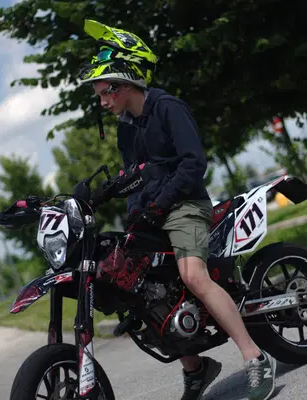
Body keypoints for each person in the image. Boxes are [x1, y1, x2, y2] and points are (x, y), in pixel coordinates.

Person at [79, 19, 277, 400]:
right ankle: (196, 369)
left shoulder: (168, 108)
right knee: (137, 291)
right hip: (153, 213)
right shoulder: (126, 128)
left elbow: (193, 164)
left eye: (104, 92)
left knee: (193, 276)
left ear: (124, 83)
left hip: (185, 205)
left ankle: (255, 357)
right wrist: (127, 206)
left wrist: (159, 203)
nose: (101, 101)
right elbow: (134, 176)